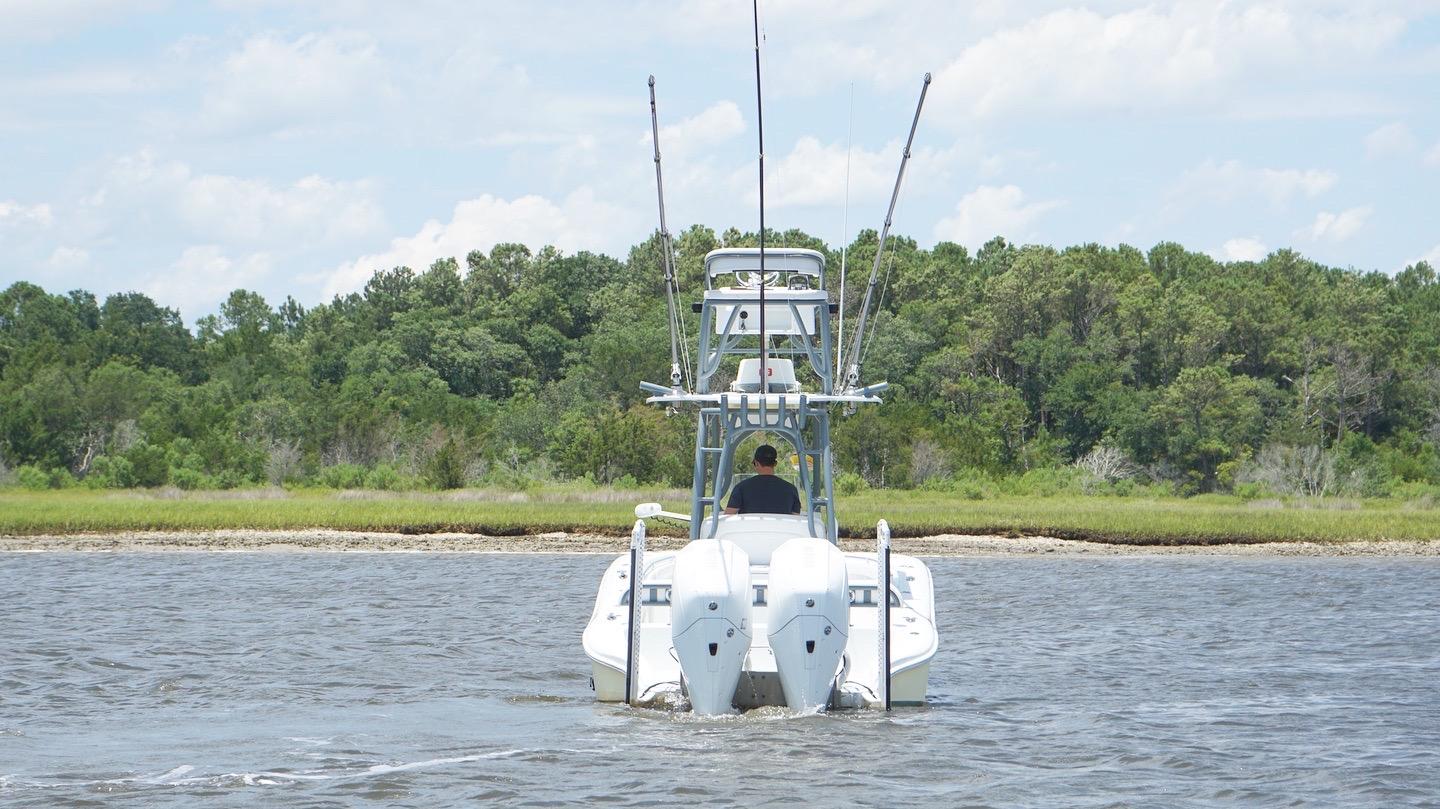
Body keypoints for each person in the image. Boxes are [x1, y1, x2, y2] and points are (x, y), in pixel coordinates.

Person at [724, 444, 801, 515]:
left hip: (749, 529)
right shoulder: (791, 489)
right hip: (780, 530)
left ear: (756, 463)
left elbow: (728, 515)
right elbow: (796, 518)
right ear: (775, 464)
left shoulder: (741, 488)